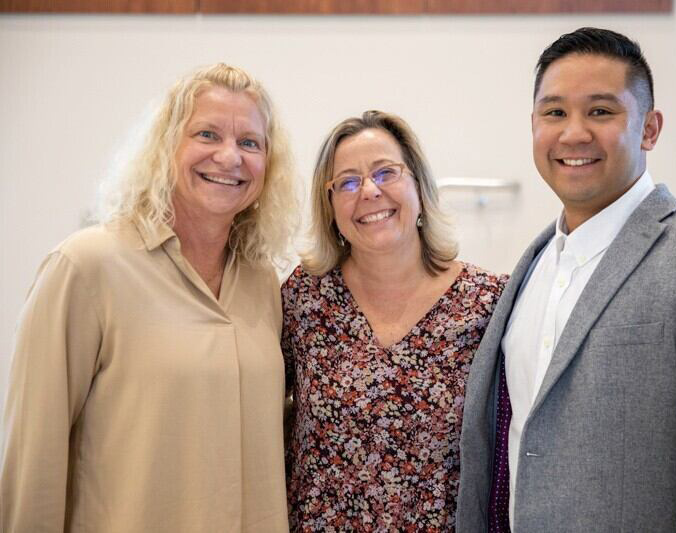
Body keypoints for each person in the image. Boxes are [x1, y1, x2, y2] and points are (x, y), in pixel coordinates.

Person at [456, 27, 676, 533]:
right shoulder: (531, 266)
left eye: (600, 111)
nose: (573, 133)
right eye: (554, 113)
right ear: (533, 126)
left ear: (649, 128)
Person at [0, 63, 297, 532]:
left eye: (249, 143)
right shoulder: (86, 266)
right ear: (166, 147)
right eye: (206, 134)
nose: (229, 157)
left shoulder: (262, 282)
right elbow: (35, 457)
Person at [281, 110, 507, 531]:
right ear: (330, 207)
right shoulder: (305, 298)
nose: (369, 191)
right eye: (346, 182)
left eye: (386, 172)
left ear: (419, 185)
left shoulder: (488, 303)